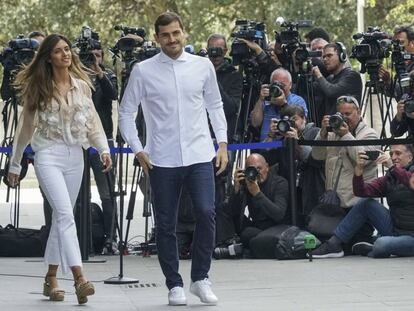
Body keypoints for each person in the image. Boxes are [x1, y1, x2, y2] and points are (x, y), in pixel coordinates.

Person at [118, 12, 228, 306]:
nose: (172, 40)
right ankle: (174, 284)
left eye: (176, 33)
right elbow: (126, 112)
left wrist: (222, 143)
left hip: (200, 154)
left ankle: (200, 279)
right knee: (165, 224)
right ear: (157, 38)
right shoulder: (143, 71)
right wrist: (137, 148)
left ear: (184, 33)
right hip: (161, 159)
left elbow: (215, 105)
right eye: (165, 35)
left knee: (206, 212)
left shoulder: (202, 66)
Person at [7, 34, 112, 304]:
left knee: (61, 218)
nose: (65, 54)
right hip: (48, 155)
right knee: (66, 214)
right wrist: (15, 164)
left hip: (75, 157)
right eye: (58, 51)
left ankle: (51, 277)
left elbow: (93, 124)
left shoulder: (82, 87)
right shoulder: (39, 88)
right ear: (48, 57)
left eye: (67, 50)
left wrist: (103, 149)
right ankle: (80, 278)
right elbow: (24, 129)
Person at [310, 144, 414, 258]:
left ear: (410, 157)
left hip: (411, 237)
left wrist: (392, 167)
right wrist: (358, 170)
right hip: (395, 230)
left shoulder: (403, 173)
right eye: (391, 154)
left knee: (381, 244)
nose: (393, 157)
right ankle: (333, 244)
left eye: (398, 153)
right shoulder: (390, 178)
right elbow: (361, 192)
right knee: (366, 203)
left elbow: (410, 181)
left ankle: (374, 246)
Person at [311, 96, 379, 246]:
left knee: (353, 243)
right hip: (333, 204)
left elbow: (362, 159)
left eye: (348, 114)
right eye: (341, 114)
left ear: (359, 112)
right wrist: (322, 133)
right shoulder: (331, 133)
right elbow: (317, 156)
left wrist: (346, 135)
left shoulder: (370, 134)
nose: (344, 118)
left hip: (355, 205)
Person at [229, 153, 289, 258]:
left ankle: (248, 247)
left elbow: (279, 214)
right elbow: (233, 212)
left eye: (259, 169)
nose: (256, 173)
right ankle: (225, 245)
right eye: (252, 170)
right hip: (257, 227)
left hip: (277, 229)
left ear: (267, 167)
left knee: (248, 234)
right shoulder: (247, 182)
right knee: (222, 210)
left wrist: (257, 194)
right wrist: (236, 190)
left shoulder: (279, 183)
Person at [250, 67, 308, 141]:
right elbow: (255, 123)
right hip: (266, 147)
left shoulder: (297, 100)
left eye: (282, 85)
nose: (279, 88)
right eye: (276, 85)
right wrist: (261, 99)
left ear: (290, 85)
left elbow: (301, 126)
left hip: (288, 147)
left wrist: (283, 104)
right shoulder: (266, 99)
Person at [312, 43, 362, 124]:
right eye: (323, 57)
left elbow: (331, 91)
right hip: (331, 128)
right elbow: (312, 89)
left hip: (348, 128)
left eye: (329, 55)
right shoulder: (330, 79)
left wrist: (318, 74)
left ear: (342, 56)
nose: (325, 59)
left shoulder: (352, 76)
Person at [207, 33, 243, 142]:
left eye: (219, 50)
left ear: (226, 51)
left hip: (223, 134)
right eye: (212, 50)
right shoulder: (199, 71)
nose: (215, 54)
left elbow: (231, 107)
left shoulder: (234, 75)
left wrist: (214, 81)